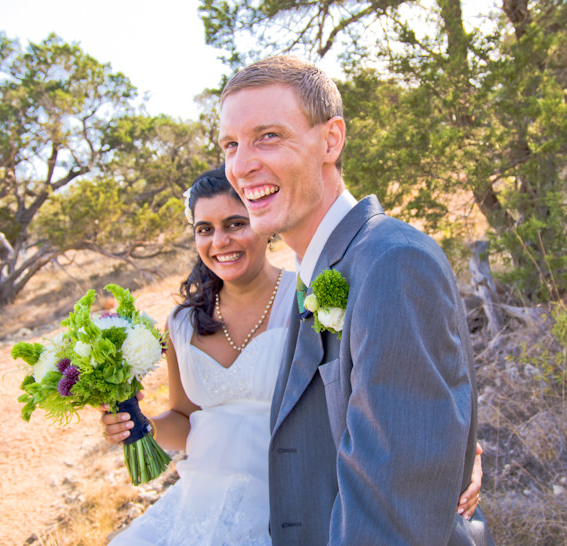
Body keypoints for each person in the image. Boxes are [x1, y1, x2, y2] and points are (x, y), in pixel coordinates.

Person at [99, 168, 483, 544]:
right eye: (205, 229)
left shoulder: (307, 295)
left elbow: (383, 386)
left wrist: (463, 455)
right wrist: (139, 424)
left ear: (263, 224)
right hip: (200, 507)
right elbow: (186, 419)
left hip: (293, 509)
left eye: (236, 223)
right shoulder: (181, 323)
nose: (220, 241)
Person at [218, 56, 493, 544]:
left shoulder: (392, 263)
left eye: (268, 136)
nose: (240, 166)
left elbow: (392, 511)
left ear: (331, 140)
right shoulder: (320, 270)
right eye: (231, 145)